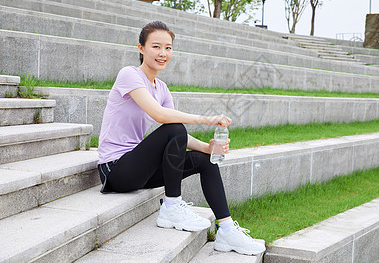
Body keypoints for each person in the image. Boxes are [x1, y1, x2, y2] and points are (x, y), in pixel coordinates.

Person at [97, 21, 265, 255]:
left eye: (168, 48)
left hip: (140, 170)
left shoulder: (162, 88)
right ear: (141, 48)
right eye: (156, 46)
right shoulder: (129, 75)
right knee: (174, 126)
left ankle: (226, 231)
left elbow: (178, 136)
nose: (163, 53)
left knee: (205, 160)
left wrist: (208, 148)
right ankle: (172, 204)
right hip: (116, 170)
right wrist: (206, 119)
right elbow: (161, 117)